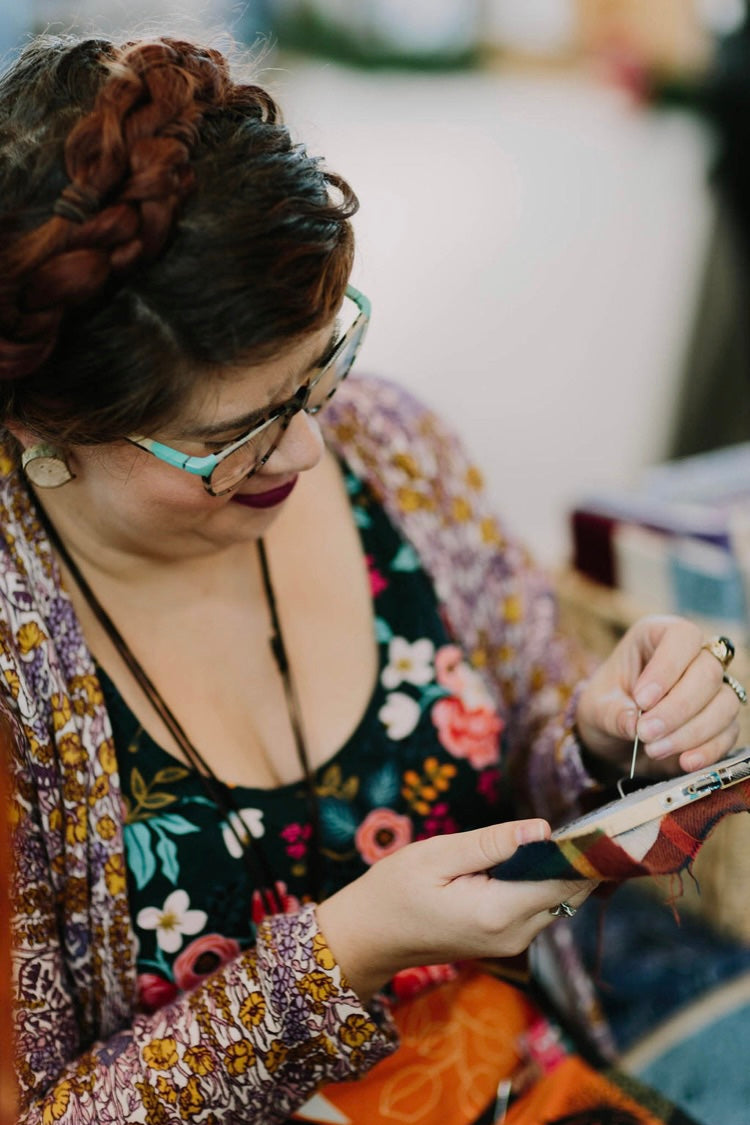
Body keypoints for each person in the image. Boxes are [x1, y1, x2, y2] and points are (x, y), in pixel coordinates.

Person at [0, 33, 741, 1125]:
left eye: (320, 372)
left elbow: (538, 747)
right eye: (235, 434)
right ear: (44, 423)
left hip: (528, 1069)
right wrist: (343, 953)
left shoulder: (391, 450)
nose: (308, 454)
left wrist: (605, 732)